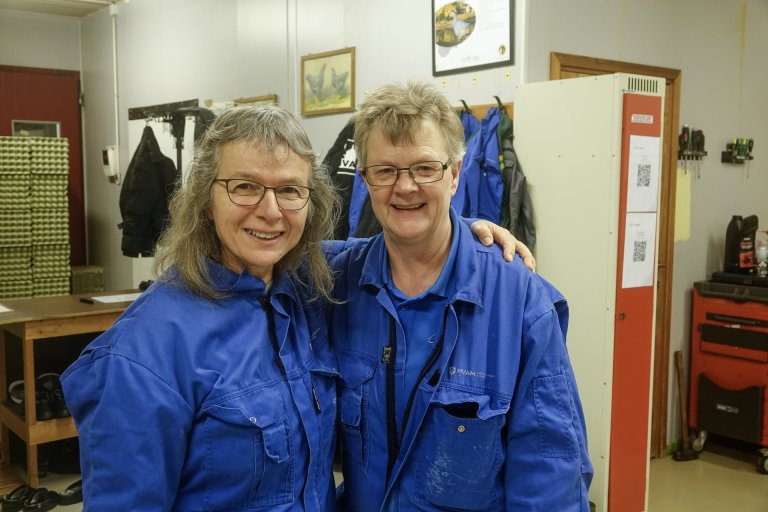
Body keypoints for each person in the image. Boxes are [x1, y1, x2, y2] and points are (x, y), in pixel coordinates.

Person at [326, 82, 593, 511]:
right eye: (386, 171)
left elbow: (551, 476)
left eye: (425, 168)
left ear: (455, 174)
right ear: (365, 181)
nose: (405, 187)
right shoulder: (334, 282)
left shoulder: (518, 302)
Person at [61, 106, 342, 511]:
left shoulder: (302, 291)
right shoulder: (143, 354)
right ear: (206, 200)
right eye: (245, 187)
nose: (271, 210)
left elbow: (396, 253)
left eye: (289, 190)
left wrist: (466, 237)